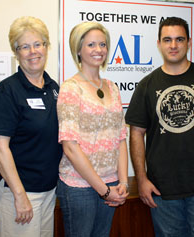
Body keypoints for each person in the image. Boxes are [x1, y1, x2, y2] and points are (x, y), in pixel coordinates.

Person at [125, 17, 194, 236]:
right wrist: (142, 178)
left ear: (189, 42)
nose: (173, 45)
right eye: (167, 40)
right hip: (162, 188)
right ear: (158, 44)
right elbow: (136, 133)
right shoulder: (146, 85)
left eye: (179, 39)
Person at [0, 16, 62, 237]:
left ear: (46, 47)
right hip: (18, 192)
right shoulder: (8, 91)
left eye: (38, 44)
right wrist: (20, 196)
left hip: (48, 190)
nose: (33, 51)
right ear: (16, 52)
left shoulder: (53, 88)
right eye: (25, 47)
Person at [56, 21, 129, 236]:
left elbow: (121, 138)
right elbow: (70, 147)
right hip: (79, 186)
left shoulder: (113, 87)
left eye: (102, 44)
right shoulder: (71, 88)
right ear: (78, 49)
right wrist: (104, 191)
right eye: (91, 45)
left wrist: (122, 182)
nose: (98, 50)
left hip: (112, 183)